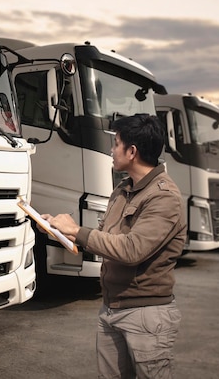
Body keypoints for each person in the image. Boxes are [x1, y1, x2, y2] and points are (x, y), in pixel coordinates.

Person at [41, 113, 186, 379]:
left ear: (132, 151)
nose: (111, 150)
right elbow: (104, 239)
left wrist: (77, 230)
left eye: (116, 143)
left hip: (145, 315)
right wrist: (64, 232)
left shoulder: (164, 197)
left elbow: (132, 249)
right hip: (111, 308)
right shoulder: (122, 189)